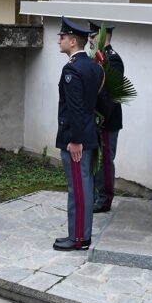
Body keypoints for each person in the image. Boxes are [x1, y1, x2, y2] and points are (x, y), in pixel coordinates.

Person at [53, 17, 103, 251]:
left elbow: (75, 108)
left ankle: (80, 239)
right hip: (88, 135)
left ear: (73, 41)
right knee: (84, 185)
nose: (58, 41)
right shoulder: (94, 66)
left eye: (61, 37)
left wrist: (74, 140)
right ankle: (80, 235)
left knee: (79, 189)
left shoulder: (72, 68)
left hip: (77, 140)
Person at [89, 21, 125, 214]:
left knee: (105, 161)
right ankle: (95, 195)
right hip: (94, 120)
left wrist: (101, 118)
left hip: (107, 121)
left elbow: (111, 93)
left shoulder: (113, 59)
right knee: (95, 159)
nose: (89, 40)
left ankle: (104, 199)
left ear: (103, 37)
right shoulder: (95, 58)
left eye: (92, 36)